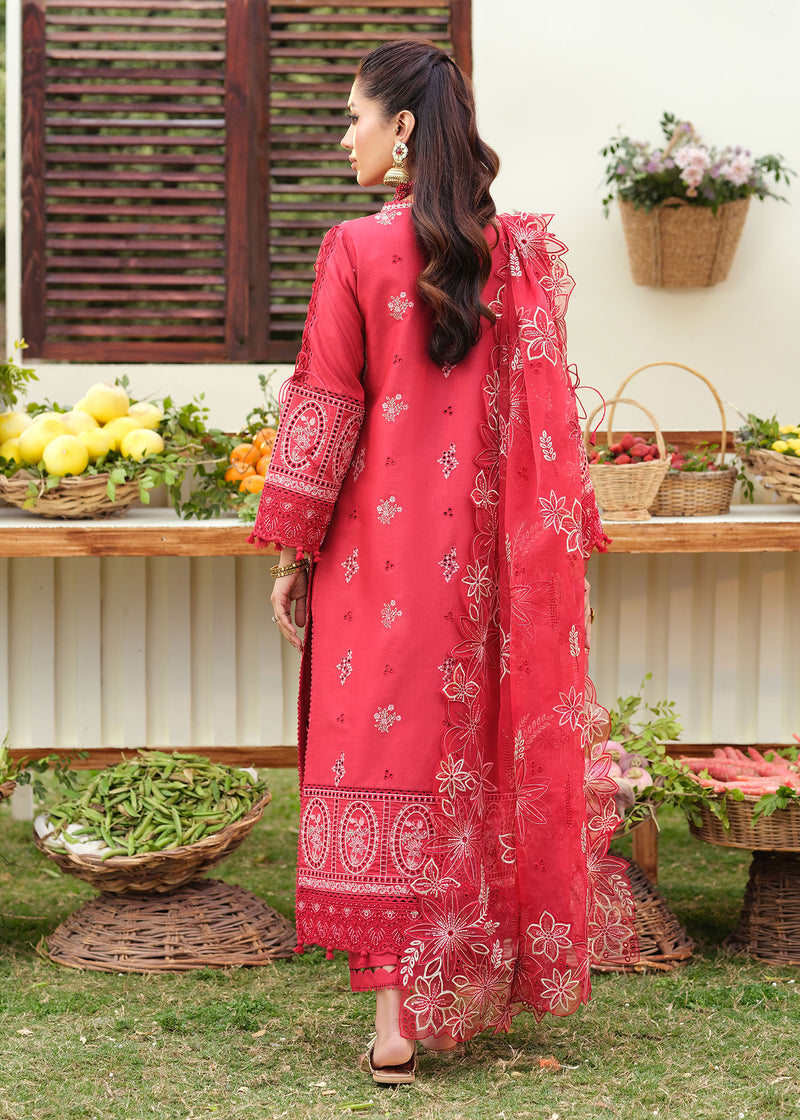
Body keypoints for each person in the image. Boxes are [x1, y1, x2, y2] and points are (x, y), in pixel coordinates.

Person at [249, 38, 636, 1084]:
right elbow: (546, 419)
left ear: (403, 127)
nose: (345, 136)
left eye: (354, 117)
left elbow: (325, 409)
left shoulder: (354, 249)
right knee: (467, 769)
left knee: (379, 765)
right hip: (487, 572)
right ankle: (461, 983)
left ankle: (393, 1026)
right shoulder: (514, 252)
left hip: (376, 562)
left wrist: (292, 544)